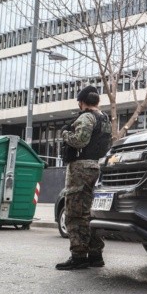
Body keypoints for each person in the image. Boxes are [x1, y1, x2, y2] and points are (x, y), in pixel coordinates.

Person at [55, 85, 112, 270]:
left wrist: (64, 133)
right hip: (98, 166)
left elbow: (80, 141)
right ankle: (95, 255)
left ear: (82, 102)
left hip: (81, 168)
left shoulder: (87, 117)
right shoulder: (105, 118)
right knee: (91, 212)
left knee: (75, 212)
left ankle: (78, 256)